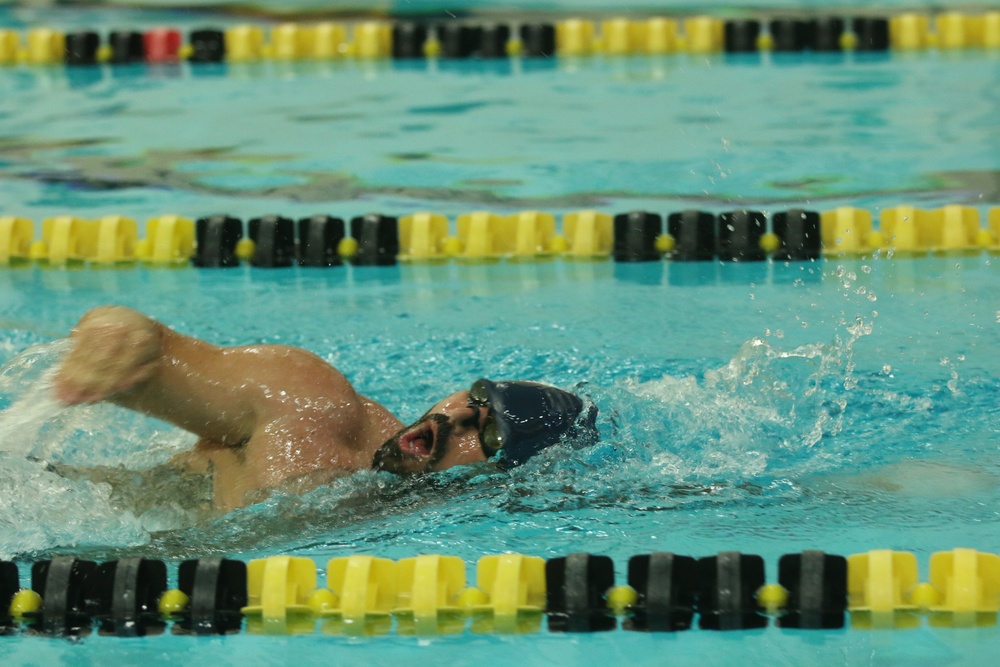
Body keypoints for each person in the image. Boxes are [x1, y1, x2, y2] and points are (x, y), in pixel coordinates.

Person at [53, 306, 598, 511]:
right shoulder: (314, 406)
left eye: (487, 434)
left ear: (507, 479)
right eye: (472, 400)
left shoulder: (404, 513)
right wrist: (124, 338)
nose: (448, 422)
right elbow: (162, 358)